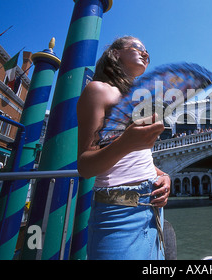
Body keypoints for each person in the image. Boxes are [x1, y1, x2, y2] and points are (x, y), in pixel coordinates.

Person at [77, 36, 171, 260]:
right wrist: (126, 142)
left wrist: (163, 175)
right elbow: (85, 165)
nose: (146, 54)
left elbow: (135, 157)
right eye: (139, 48)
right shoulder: (98, 90)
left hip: (153, 207)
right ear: (116, 53)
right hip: (119, 213)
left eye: (148, 51)